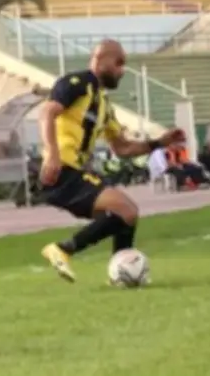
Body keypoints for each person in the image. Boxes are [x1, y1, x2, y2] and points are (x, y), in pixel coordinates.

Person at [38, 39, 184, 284]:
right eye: (119, 63)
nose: (122, 70)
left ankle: (120, 275)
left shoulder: (104, 105)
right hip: (62, 169)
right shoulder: (78, 83)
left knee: (126, 215)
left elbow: (122, 148)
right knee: (127, 210)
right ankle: (62, 249)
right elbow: (47, 112)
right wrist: (52, 153)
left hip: (74, 172)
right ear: (101, 59)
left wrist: (160, 142)